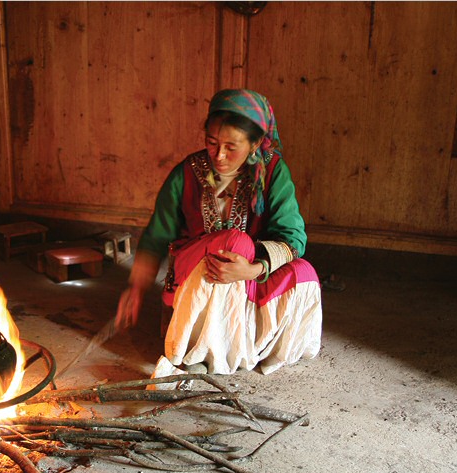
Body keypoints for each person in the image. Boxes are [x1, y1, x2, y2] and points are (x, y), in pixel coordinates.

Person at [116, 88, 322, 382]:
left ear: (255, 144)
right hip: (194, 277)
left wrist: (254, 269)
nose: (220, 155)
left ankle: (242, 344)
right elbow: (157, 234)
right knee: (234, 242)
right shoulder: (187, 173)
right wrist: (136, 287)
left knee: (304, 272)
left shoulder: (272, 171)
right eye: (211, 143)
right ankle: (201, 347)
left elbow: (293, 237)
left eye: (231, 146)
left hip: (247, 275)